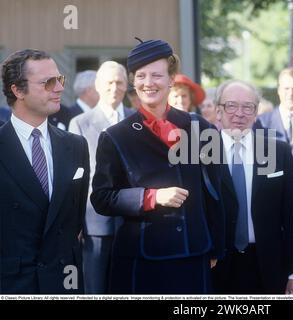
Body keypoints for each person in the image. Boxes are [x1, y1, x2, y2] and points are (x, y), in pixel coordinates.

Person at [90, 39, 224, 294]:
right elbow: (101, 198)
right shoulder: (114, 136)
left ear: (171, 79)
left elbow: (216, 194)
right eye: (140, 76)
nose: (147, 82)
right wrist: (150, 197)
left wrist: (216, 245)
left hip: (194, 255)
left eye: (156, 75)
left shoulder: (202, 129)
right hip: (140, 261)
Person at [0, 49, 90, 293]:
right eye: (48, 82)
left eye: (59, 80)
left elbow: (75, 221)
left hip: (64, 284)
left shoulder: (76, 145)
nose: (59, 88)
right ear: (17, 90)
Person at [211, 80, 293, 294]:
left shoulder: (277, 151)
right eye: (231, 105)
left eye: (248, 107)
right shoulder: (201, 153)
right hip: (215, 266)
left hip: (268, 267)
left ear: (256, 113)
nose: (240, 113)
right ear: (218, 111)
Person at [68, 61, 135, 294]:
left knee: (130, 286)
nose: (114, 88)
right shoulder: (80, 123)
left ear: (127, 85)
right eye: (109, 82)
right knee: (95, 287)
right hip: (94, 221)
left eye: (119, 82)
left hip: (133, 220)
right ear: (97, 85)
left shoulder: (138, 120)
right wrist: (73, 221)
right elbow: (74, 178)